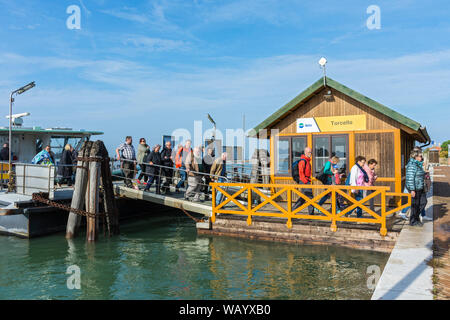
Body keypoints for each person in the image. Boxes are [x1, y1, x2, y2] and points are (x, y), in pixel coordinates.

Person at [405, 150, 427, 227]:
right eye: (420, 156)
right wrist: (412, 189)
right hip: (415, 188)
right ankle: (413, 221)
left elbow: (420, 175)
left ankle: (416, 218)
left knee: (423, 202)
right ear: (415, 157)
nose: (422, 157)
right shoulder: (411, 165)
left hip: (420, 187)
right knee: (415, 205)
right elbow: (410, 178)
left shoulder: (418, 164)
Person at [292, 147, 314, 214]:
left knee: (303, 198)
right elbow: (301, 173)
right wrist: (306, 182)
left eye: (311, 152)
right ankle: (311, 214)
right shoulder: (303, 161)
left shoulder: (307, 161)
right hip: (304, 181)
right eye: (309, 152)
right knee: (310, 197)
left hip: (306, 180)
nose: (311, 153)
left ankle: (292, 210)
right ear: (306, 152)